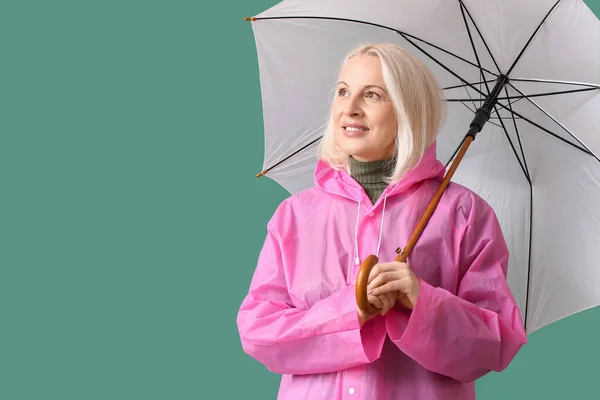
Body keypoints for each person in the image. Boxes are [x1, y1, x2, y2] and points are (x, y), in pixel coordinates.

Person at [236, 43, 528, 399]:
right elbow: (259, 332)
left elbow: (494, 347)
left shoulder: (463, 213)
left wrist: (422, 301)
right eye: (343, 91)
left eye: (372, 94)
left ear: (408, 110)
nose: (350, 108)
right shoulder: (295, 216)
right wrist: (349, 311)